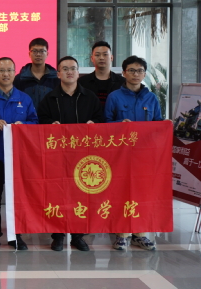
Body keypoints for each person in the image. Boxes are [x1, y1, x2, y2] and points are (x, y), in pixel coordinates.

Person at [37, 56, 104, 252]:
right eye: (65, 69)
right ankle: (58, 235)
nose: (69, 72)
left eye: (73, 68)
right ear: (58, 74)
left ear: (78, 72)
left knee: (81, 195)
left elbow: (101, 120)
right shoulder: (49, 98)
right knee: (57, 194)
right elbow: (40, 120)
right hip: (57, 156)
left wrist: (94, 124)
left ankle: (78, 235)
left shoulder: (89, 97)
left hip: (84, 156)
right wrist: (50, 125)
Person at [0, 57, 38, 252]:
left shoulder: (24, 99)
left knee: (16, 198)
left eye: (9, 70)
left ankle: (16, 235)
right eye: (2, 70)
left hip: (17, 159)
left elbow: (35, 123)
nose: (5, 74)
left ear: (14, 73)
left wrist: (23, 126)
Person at [105, 55, 162, 251]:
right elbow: (105, 125)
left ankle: (140, 234)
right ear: (124, 73)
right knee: (121, 193)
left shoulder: (151, 98)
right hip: (121, 155)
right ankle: (122, 234)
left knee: (143, 194)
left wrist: (165, 126)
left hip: (145, 156)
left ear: (144, 74)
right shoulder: (114, 97)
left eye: (139, 71)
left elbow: (157, 124)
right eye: (131, 70)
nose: (136, 74)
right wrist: (119, 124)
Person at [14, 38, 60, 109]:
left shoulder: (56, 78)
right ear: (29, 54)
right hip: (27, 116)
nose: (38, 54)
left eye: (42, 51)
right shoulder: (19, 79)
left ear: (47, 54)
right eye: (35, 51)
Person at [77, 41, 125, 110]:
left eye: (105, 54)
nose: (101, 58)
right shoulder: (82, 82)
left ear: (111, 58)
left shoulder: (122, 82)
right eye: (97, 55)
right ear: (92, 58)